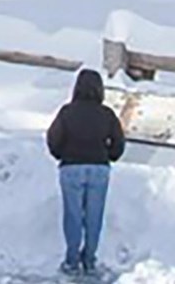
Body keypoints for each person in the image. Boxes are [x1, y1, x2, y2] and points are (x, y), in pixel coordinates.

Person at [46, 68, 125, 276]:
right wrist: (109, 155)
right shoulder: (106, 114)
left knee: (73, 215)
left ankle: (72, 261)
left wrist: (62, 154)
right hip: (99, 167)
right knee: (94, 216)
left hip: (71, 167)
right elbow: (119, 142)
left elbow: (53, 139)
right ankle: (89, 260)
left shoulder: (67, 112)